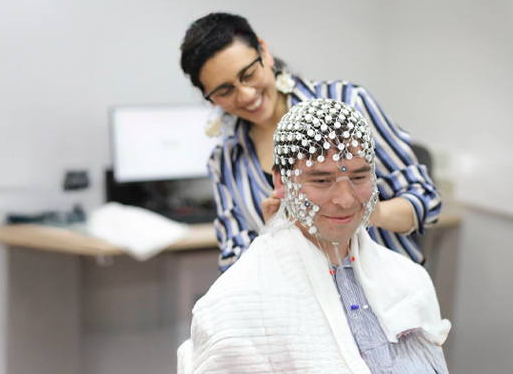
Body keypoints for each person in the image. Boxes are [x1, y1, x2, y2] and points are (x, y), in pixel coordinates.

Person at [178, 98, 450, 374]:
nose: (345, 200)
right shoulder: (233, 306)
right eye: (321, 180)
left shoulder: (411, 280)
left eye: (358, 178)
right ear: (281, 182)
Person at [178, 13, 440, 270]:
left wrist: (368, 211)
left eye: (248, 74)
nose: (246, 95)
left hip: (382, 291)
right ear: (210, 98)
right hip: (298, 303)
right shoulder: (225, 161)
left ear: (264, 52)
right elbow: (234, 258)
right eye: (224, 90)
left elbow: (426, 200)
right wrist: (274, 238)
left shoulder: (347, 104)